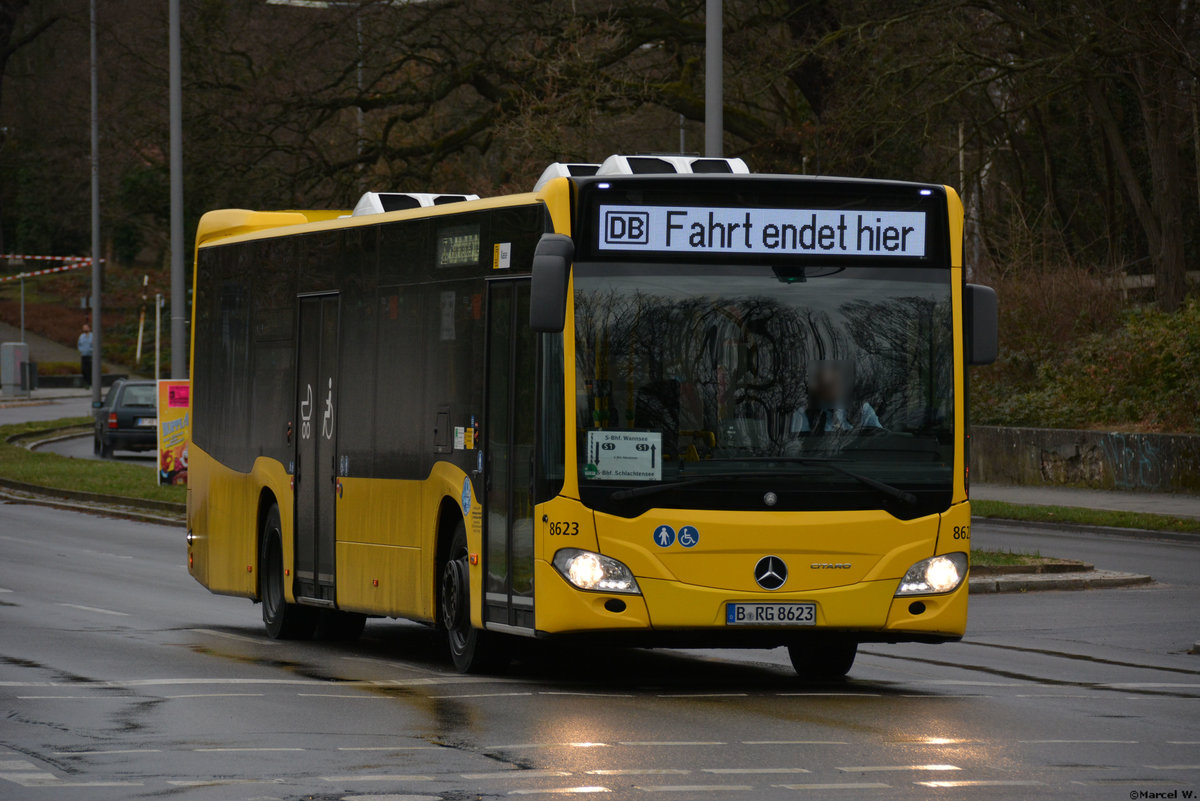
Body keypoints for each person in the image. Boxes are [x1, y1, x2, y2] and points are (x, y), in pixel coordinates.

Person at [792, 361, 881, 434]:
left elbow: (879, 436)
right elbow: (798, 443)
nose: (832, 387)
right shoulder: (805, 412)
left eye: (836, 382)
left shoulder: (862, 409)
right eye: (826, 384)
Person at [77, 323, 93, 387]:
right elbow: (79, 344)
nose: (84, 329)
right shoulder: (81, 336)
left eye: (86, 327)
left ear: (89, 328)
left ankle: (90, 383)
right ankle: (86, 382)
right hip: (83, 355)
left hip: (91, 355)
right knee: (84, 369)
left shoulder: (93, 336)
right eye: (84, 327)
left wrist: (91, 350)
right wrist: (81, 350)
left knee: (90, 369)